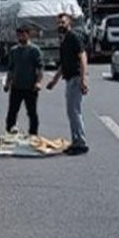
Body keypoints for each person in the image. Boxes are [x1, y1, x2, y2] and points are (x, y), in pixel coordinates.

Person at [45, 13, 90, 155]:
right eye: (58, 23)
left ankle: (80, 143)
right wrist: (54, 80)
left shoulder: (73, 37)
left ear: (69, 23)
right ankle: (76, 141)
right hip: (69, 78)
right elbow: (64, 64)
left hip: (76, 78)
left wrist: (84, 79)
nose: (60, 25)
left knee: (74, 111)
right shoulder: (64, 40)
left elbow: (83, 57)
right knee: (71, 112)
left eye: (63, 22)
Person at [3, 25, 44, 136]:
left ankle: (33, 134)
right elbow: (11, 69)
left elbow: (40, 68)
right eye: (19, 35)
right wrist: (7, 83)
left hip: (30, 87)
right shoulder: (14, 51)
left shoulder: (34, 50)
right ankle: (9, 132)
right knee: (12, 111)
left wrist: (38, 82)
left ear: (28, 35)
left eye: (23, 34)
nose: (21, 36)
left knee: (32, 112)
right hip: (16, 86)